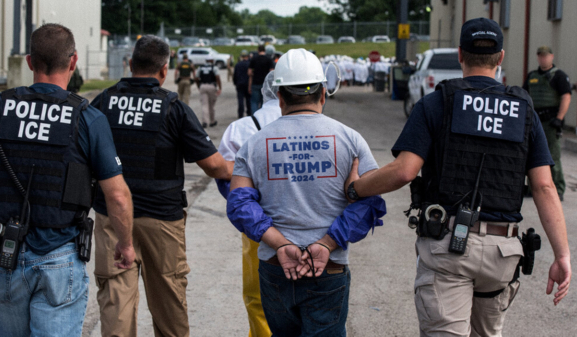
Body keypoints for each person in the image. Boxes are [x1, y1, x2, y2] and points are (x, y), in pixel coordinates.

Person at [349, 18, 571, 336]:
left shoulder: (436, 103)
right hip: (502, 252)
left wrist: (356, 189)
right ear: (501, 57)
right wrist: (562, 255)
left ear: (460, 55)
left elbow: (404, 171)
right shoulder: (524, 111)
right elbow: (544, 186)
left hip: (448, 246)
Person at [0, 23, 136, 336]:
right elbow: (117, 196)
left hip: (4, 253)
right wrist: (126, 243)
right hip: (59, 256)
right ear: (73, 62)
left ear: (30, 62)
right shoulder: (88, 118)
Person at [227, 49, 382, 336]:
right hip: (329, 267)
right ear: (324, 93)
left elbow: (239, 204)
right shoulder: (350, 140)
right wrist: (327, 243)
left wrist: (279, 243)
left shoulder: (254, 144)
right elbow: (371, 202)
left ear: (280, 98)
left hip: (276, 267)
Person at [90, 35, 233, 337]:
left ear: (130, 64)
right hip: (161, 219)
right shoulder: (173, 108)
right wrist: (244, 170)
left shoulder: (103, 102)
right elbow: (214, 166)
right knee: (170, 309)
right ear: (164, 70)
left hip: (112, 219)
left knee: (116, 306)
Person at [216, 71, 281, 337]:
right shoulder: (322, 126)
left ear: (263, 90)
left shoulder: (241, 128)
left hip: (258, 228)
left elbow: (225, 179)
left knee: (258, 298)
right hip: (310, 225)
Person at [523, 46, 571, 201]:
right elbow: (524, 96)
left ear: (552, 56)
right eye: (540, 56)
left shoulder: (559, 76)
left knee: (553, 156)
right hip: (535, 121)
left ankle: (558, 188)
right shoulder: (532, 76)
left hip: (551, 122)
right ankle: (531, 188)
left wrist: (559, 117)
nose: (543, 59)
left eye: (546, 56)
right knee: (531, 156)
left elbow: (566, 97)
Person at [196, 55, 222, 128]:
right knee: (211, 105)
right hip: (211, 86)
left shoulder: (200, 67)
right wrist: (220, 87)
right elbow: (217, 77)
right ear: (211, 60)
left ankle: (205, 122)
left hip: (203, 86)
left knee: (204, 105)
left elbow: (196, 77)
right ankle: (212, 121)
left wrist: (199, 86)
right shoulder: (214, 67)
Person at [248, 45, 275, 113]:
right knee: (264, 102)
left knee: (254, 102)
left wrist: (254, 73)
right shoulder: (268, 59)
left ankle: (255, 117)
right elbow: (272, 73)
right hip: (265, 84)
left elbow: (249, 72)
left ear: (258, 50)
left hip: (255, 83)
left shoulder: (254, 59)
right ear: (265, 50)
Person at [233, 50, 252, 118]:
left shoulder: (237, 64)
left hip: (240, 84)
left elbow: (235, 75)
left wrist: (235, 82)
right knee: (248, 100)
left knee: (240, 100)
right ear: (247, 56)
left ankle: (240, 114)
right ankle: (249, 113)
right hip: (247, 84)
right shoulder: (249, 64)